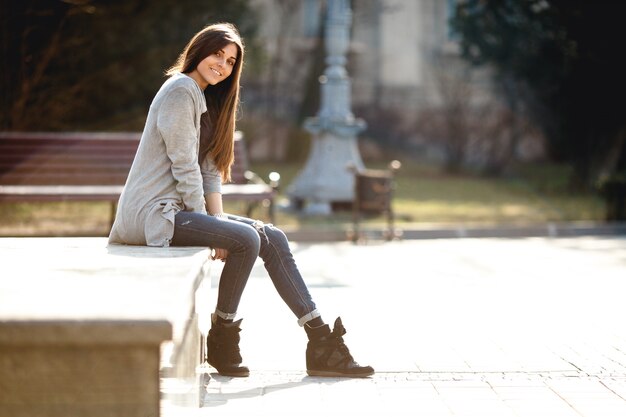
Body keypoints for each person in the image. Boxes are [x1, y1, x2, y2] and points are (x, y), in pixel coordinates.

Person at [108, 23, 373, 378]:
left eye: (231, 61)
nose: (222, 64)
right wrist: (215, 230)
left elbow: (208, 171)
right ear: (200, 50)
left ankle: (321, 341)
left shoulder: (206, 98)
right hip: (151, 215)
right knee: (246, 239)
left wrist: (215, 225)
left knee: (272, 237)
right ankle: (222, 336)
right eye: (218, 54)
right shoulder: (181, 90)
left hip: (175, 211)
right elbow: (183, 165)